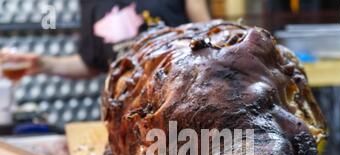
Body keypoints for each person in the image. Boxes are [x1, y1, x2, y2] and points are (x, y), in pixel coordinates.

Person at [0, 0, 210, 79]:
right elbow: (90, 62)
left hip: (178, 93)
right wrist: (44, 64)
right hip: (127, 107)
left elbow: (210, 35)